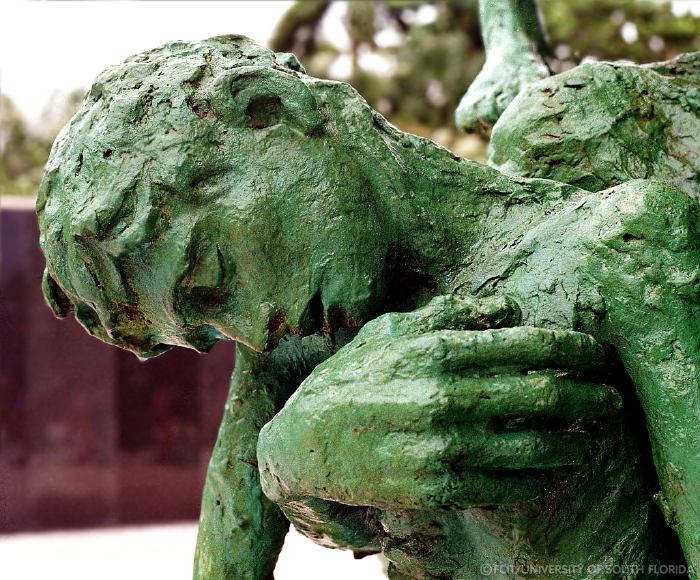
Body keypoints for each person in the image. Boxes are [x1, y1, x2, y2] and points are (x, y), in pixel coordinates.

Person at [37, 32, 698, 579]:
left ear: (271, 110)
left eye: (215, 273)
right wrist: (289, 462)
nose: (252, 333)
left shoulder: (618, 248)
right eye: (209, 328)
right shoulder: (302, 342)